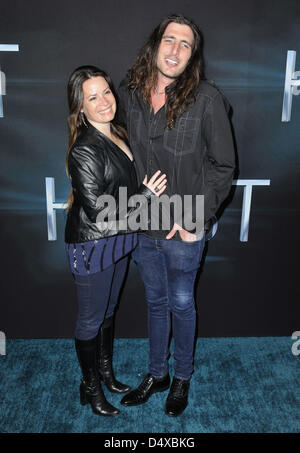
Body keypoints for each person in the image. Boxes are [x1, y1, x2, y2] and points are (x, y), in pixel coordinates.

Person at [118, 14, 236, 416]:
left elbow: (224, 165)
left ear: (193, 56)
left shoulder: (206, 99)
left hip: (183, 226)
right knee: (155, 301)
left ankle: (181, 376)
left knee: (181, 303)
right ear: (155, 44)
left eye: (186, 44)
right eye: (170, 39)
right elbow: (118, 155)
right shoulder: (129, 92)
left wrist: (195, 219)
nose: (175, 50)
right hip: (143, 224)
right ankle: (158, 373)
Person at [64, 65, 167, 417]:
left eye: (106, 92)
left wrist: (142, 195)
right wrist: (145, 199)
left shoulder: (118, 133)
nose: (104, 101)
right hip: (93, 245)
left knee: (109, 312)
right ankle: (90, 387)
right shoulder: (84, 150)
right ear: (81, 107)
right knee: (90, 319)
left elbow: (121, 196)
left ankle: (106, 373)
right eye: (92, 97)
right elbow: (98, 212)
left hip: (120, 240)